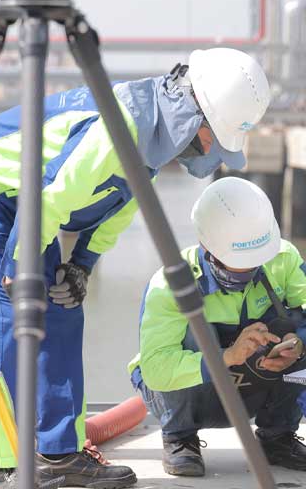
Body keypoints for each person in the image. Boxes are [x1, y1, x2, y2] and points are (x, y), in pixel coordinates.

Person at [0, 47, 270, 489]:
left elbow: (115, 209)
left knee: (61, 312)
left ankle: (58, 453)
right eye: (215, 136)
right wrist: (20, 263)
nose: (212, 148)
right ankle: (3, 467)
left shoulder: (150, 140)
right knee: (9, 321)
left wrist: (81, 265)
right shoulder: (121, 128)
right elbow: (52, 195)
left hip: (29, 206)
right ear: (193, 115)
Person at [129, 176, 306, 477]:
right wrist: (225, 356)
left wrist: (297, 341)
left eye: (255, 262)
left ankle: (278, 436)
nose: (248, 270)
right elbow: (156, 369)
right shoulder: (172, 283)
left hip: (253, 388)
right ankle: (180, 437)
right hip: (192, 395)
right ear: (206, 245)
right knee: (197, 329)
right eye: (238, 262)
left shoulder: (283, 258)